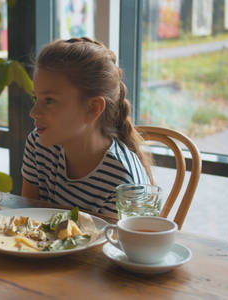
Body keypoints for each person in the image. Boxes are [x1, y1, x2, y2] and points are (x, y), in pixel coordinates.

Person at [21, 37, 153, 216]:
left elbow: (115, 244)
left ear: (93, 108)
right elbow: (26, 219)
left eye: (49, 100)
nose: (33, 112)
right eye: (36, 98)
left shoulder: (125, 183)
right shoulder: (38, 145)